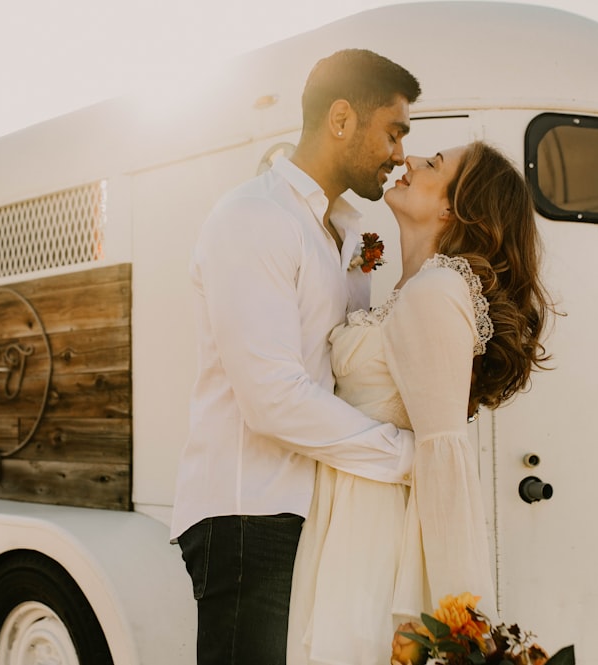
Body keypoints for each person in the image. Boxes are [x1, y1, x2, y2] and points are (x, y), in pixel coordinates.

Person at [169, 49, 422, 665]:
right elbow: (273, 399)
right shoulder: (254, 218)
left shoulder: (345, 232)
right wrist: (410, 457)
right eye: (394, 132)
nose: (399, 154)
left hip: (312, 509)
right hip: (249, 515)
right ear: (341, 119)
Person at [286, 141, 552, 665]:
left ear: (455, 206)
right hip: (346, 516)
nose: (409, 160)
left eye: (434, 165)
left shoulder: (436, 291)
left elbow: (444, 451)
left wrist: (463, 623)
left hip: (374, 533)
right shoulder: (409, 288)